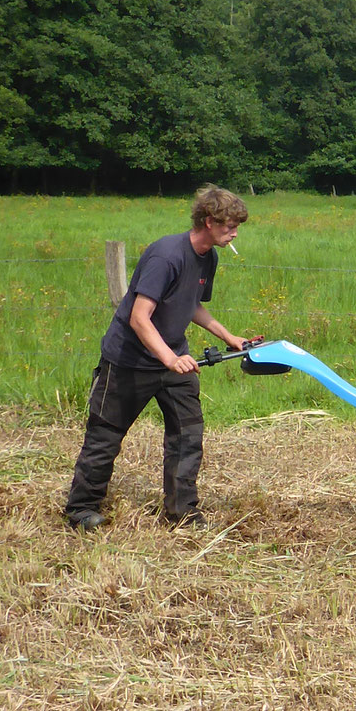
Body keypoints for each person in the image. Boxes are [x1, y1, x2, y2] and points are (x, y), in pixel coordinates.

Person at [63, 185, 258, 530]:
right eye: (229, 226)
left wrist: (230, 338)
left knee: (188, 434)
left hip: (173, 358)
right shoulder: (166, 255)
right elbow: (140, 317)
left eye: (236, 226)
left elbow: (190, 303)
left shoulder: (208, 257)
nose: (235, 233)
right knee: (105, 435)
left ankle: (181, 512)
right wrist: (169, 359)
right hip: (128, 361)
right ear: (209, 221)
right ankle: (81, 510)